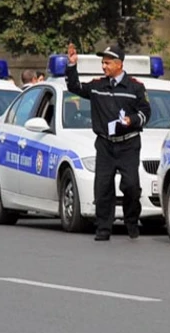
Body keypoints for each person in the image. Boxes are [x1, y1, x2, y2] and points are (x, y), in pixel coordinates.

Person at [65, 43, 151, 241]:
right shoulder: (97, 86)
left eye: (107, 63)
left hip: (128, 143)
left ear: (119, 64)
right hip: (105, 143)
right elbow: (74, 87)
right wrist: (71, 66)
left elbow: (146, 113)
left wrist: (132, 120)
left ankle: (131, 220)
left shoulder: (135, 87)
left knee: (130, 185)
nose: (104, 66)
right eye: (102, 63)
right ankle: (103, 228)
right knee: (102, 187)